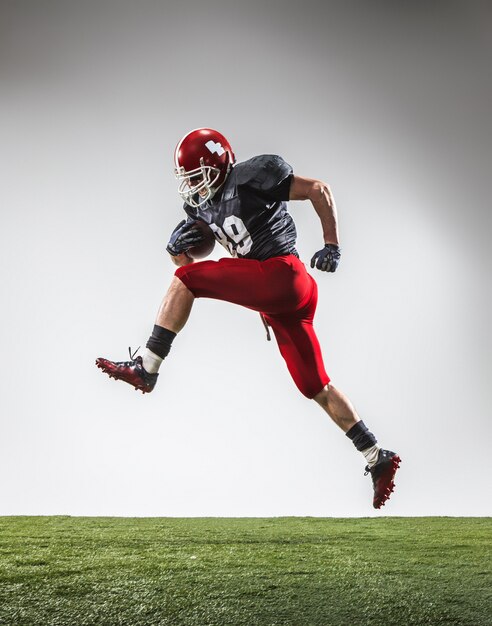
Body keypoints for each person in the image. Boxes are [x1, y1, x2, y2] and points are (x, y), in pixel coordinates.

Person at [96, 128, 401, 509]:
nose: (193, 186)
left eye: (198, 176)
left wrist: (331, 245)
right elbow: (200, 253)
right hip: (280, 301)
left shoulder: (251, 178)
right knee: (314, 385)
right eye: (187, 180)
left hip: (285, 275)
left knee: (184, 281)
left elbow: (317, 189)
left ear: (218, 164)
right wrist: (178, 251)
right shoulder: (202, 205)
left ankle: (147, 366)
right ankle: (376, 456)